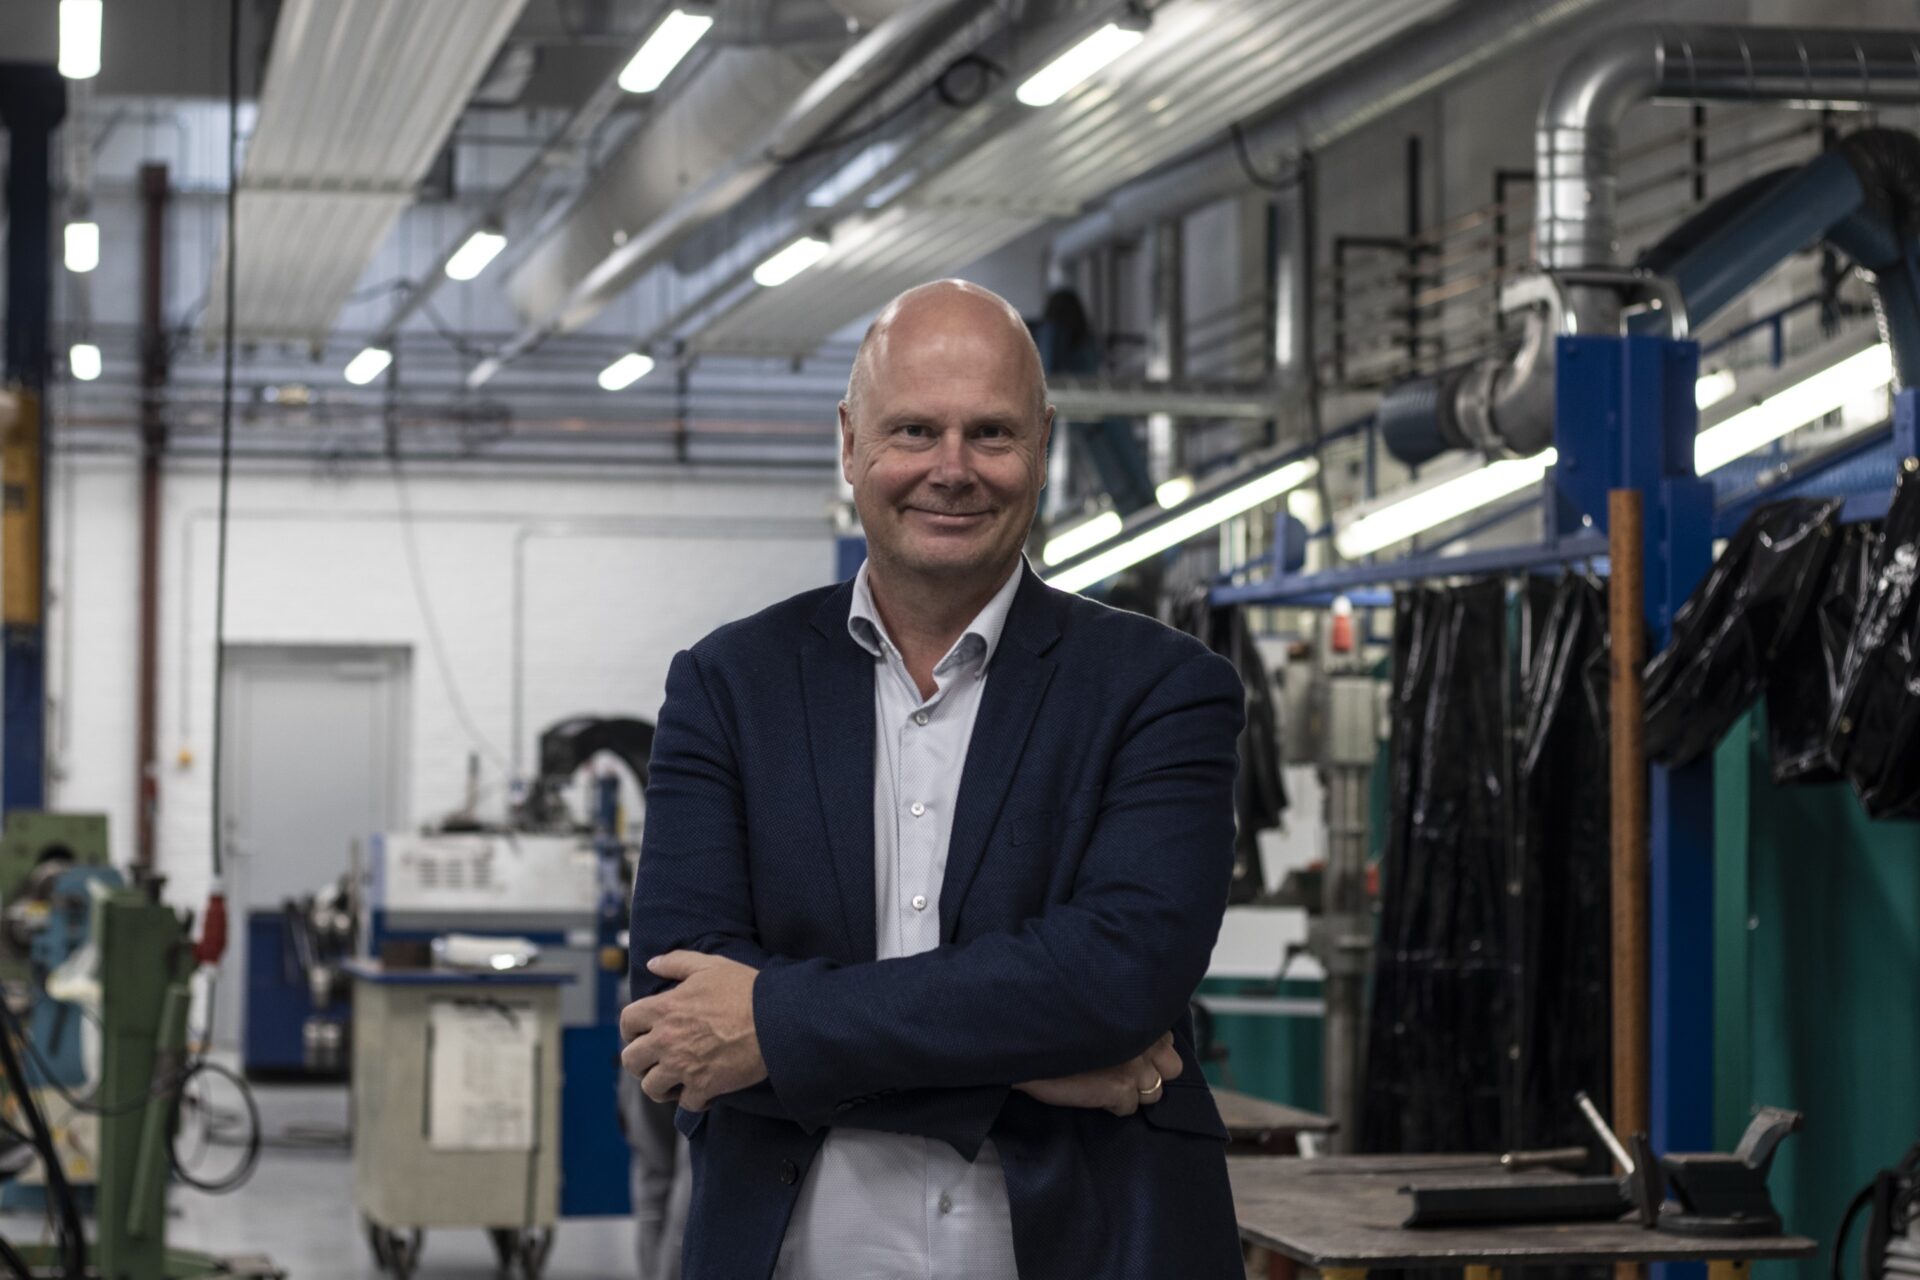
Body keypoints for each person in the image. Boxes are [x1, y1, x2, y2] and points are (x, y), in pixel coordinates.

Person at [620, 279, 1247, 1279]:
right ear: (849, 440)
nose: (951, 470)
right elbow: (678, 1016)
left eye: (990, 434)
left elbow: (1116, 977)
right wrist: (1032, 1063)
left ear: (1041, 443)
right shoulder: (730, 684)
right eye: (914, 429)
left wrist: (773, 1024)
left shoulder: (1163, 688)